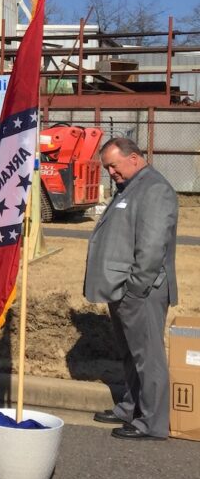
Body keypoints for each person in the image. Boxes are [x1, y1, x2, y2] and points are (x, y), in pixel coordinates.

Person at [84, 137, 178, 440]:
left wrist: (135, 289)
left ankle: (151, 423)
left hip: (141, 291)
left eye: (113, 165)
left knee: (147, 357)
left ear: (134, 158)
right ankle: (132, 406)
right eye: (107, 167)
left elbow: (151, 248)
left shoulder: (154, 189)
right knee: (130, 353)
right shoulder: (132, 187)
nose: (110, 172)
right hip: (124, 289)